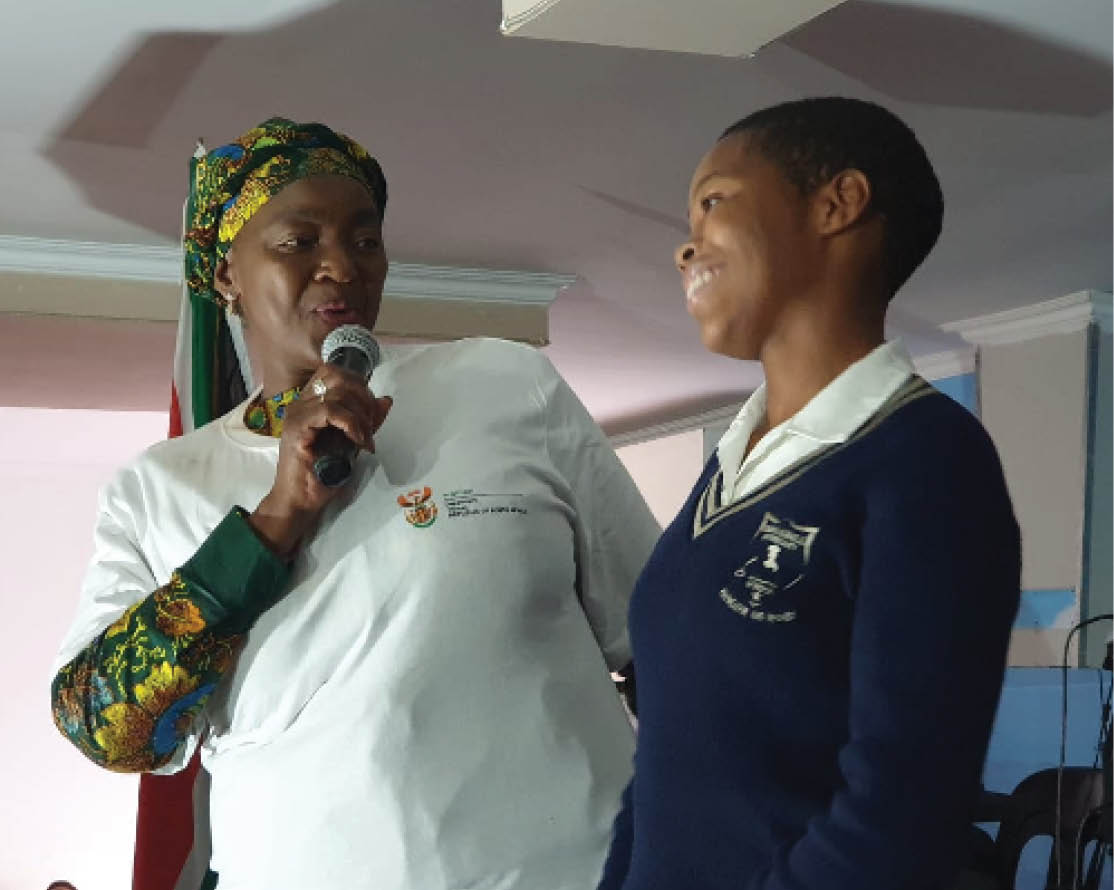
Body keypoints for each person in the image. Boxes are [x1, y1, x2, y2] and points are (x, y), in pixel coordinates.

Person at [50, 118, 659, 889]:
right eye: (299, 242)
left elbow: (660, 640)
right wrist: (276, 520)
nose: (341, 265)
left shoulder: (504, 385)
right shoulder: (161, 485)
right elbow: (104, 727)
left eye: (364, 241)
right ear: (228, 275)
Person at [598, 97, 1021, 890]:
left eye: (714, 200)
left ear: (838, 204)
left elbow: (900, 815)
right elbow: (665, 770)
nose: (687, 243)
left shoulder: (927, 463)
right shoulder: (730, 467)